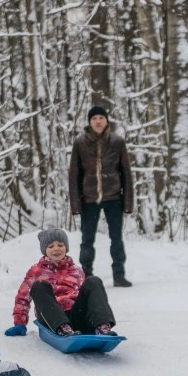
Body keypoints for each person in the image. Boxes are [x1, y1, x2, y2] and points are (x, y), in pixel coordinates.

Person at [5, 228, 116, 338]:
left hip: (75, 316)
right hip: (50, 317)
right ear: (44, 250)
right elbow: (22, 298)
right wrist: (20, 323)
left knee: (93, 281)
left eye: (60, 245)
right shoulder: (36, 271)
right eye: (51, 246)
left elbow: (88, 297)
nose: (56, 249)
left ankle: (102, 327)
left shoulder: (77, 270)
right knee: (39, 285)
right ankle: (62, 328)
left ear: (66, 247)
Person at [69, 106, 135, 287]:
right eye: (94, 118)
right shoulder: (80, 143)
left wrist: (128, 202)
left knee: (116, 238)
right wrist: (75, 204)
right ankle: (86, 276)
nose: (98, 121)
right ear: (89, 122)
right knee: (87, 240)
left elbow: (126, 173)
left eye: (101, 117)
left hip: (114, 197)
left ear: (106, 121)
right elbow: (74, 175)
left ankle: (119, 275)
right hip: (89, 198)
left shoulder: (117, 142)